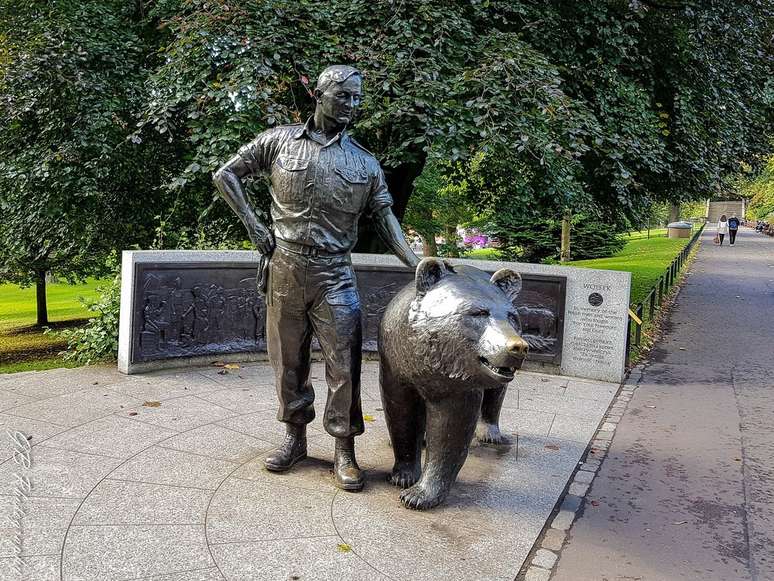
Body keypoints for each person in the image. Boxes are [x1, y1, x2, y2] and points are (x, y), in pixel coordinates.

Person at [213, 65, 420, 492]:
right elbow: (225, 174)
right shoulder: (277, 141)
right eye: (343, 96)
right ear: (320, 95)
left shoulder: (364, 162)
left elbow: (386, 219)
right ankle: (294, 438)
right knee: (289, 362)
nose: (351, 105)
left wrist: (416, 264)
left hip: (335, 273)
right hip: (285, 266)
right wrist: (254, 226)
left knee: (344, 364)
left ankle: (344, 449)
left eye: (357, 98)